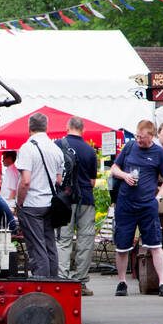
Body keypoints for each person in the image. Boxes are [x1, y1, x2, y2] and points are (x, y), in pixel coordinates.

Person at [110, 119, 163, 296]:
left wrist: (159, 197)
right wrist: (124, 175)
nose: (138, 140)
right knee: (122, 245)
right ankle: (122, 282)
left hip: (147, 205)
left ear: (151, 136)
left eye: (142, 138)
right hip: (126, 203)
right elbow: (114, 168)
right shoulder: (129, 148)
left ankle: (162, 283)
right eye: (137, 136)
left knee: (155, 244)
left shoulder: (159, 153)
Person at [15, 113, 64, 277]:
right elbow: (58, 180)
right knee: (50, 244)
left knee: (37, 246)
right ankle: (54, 282)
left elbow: (26, 181)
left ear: (29, 128)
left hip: (31, 204)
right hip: (50, 204)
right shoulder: (56, 149)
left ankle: (41, 284)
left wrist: (19, 202)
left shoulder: (27, 148)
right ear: (46, 127)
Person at [55, 116, 98, 295]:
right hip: (86, 199)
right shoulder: (90, 151)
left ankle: (62, 280)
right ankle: (80, 282)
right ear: (83, 130)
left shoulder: (57, 145)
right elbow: (93, 182)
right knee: (85, 240)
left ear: (67, 127)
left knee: (63, 240)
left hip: (64, 199)